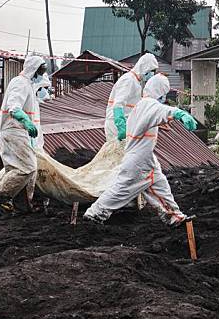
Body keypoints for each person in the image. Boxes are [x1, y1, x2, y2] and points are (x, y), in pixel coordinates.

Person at [84, 73, 198, 225]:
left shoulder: (141, 105)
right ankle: (94, 214)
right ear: (160, 91)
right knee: (121, 190)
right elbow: (163, 112)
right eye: (164, 94)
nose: (164, 97)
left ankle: (174, 216)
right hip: (138, 161)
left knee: (160, 184)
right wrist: (180, 113)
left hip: (144, 157)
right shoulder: (150, 105)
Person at [0, 55, 47, 214]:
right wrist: (26, 121)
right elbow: (14, 106)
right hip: (14, 131)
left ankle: (21, 205)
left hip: (20, 133)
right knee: (27, 168)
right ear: (34, 69)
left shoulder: (28, 86)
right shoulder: (20, 83)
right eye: (41, 70)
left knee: (16, 169)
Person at [105, 53, 159, 142]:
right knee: (117, 154)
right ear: (144, 67)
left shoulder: (136, 83)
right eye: (151, 70)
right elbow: (118, 104)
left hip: (126, 125)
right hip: (116, 126)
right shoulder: (128, 80)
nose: (152, 74)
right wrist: (121, 126)